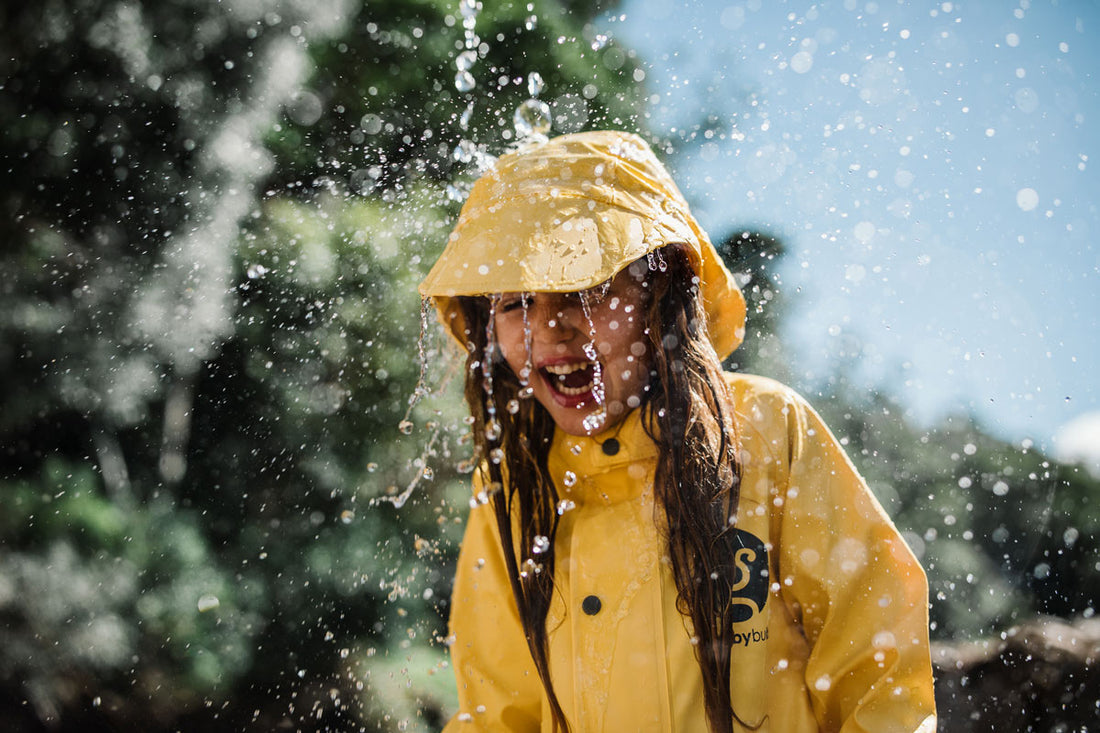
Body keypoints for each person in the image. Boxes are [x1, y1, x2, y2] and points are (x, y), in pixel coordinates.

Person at [419, 130, 936, 732]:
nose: (549, 328)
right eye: (513, 303)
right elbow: (498, 716)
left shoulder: (763, 432)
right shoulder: (517, 486)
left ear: (661, 296)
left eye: (584, 289)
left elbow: (878, 673)